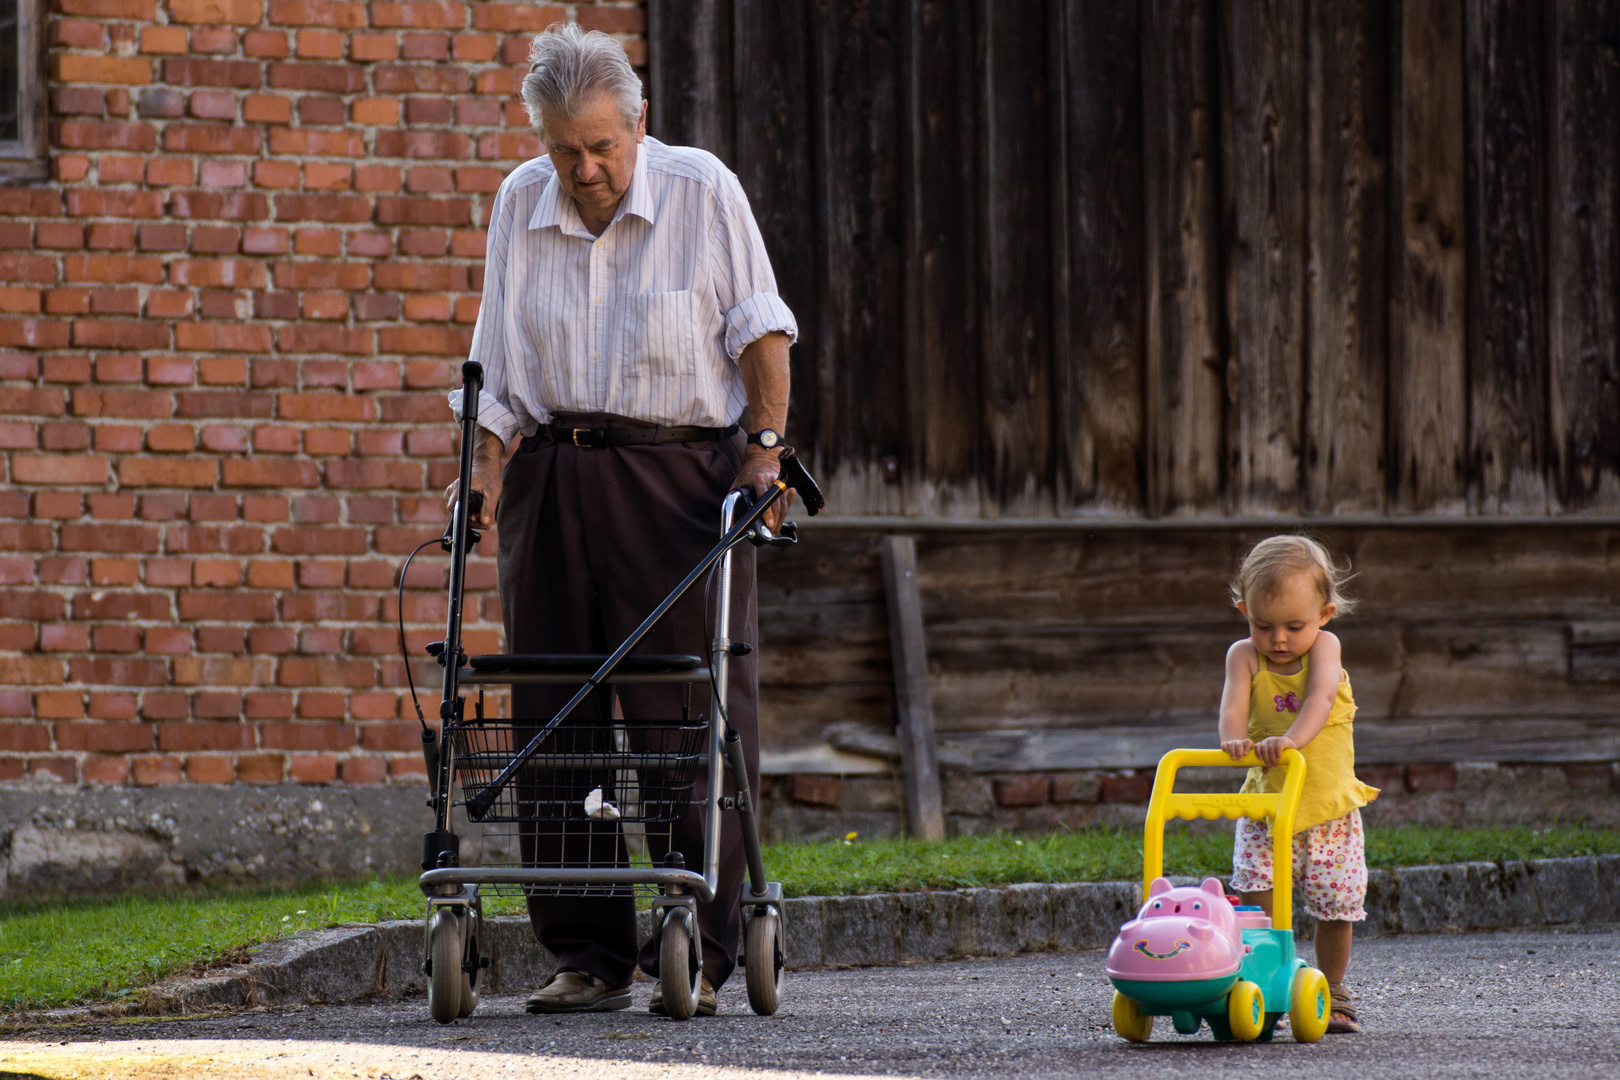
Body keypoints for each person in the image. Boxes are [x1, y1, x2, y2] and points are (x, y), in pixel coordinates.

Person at [444, 22, 797, 1016]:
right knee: (557, 715)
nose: (585, 168)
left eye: (602, 146)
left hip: (677, 483)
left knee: (687, 711)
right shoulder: (520, 203)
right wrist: (480, 478)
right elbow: (500, 374)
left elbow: (759, 329)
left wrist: (765, 452)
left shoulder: (701, 191)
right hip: (552, 482)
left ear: (639, 127)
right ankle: (586, 952)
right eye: (566, 149)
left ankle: (698, 935)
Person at [1216, 535, 1379, 1034]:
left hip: (1327, 809)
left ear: (1325, 614)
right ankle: (1265, 981)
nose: (1279, 638)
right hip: (1268, 807)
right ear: (1245, 612)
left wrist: (1290, 740)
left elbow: (1321, 699)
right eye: (1263, 625)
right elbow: (1232, 709)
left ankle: (1333, 988)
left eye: (1294, 625)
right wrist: (1234, 740)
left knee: (1335, 904)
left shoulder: (1326, 648)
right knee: (1259, 900)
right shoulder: (1243, 657)